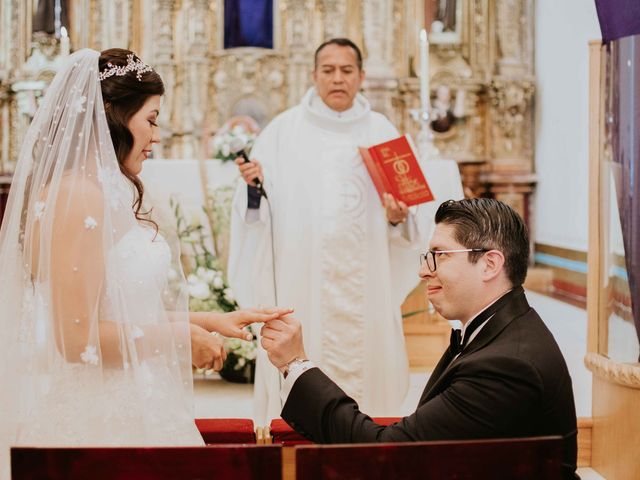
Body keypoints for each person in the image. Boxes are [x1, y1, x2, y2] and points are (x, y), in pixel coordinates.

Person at [0, 48, 288, 478]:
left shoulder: (98, 189)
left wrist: (211, 320)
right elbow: (77, 342)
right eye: (151, 120)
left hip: (135, 400)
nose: (157, 136)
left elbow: (115, 309)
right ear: (112, 117)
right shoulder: (80, 196)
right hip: (101, 418)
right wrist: (180, 338)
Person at [261, 198, 579, 479]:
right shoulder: (501, 329)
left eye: (439, 255)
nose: (424, 272)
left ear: (489, 264)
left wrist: (295, 363)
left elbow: (383, 456)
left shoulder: (506, 365)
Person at [228, 38, 431, 423]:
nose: (338, 79)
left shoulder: (383, 132)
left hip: (366, 286)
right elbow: (253, 213)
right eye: (328, 70)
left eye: (347, 70)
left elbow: (411, 218)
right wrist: (255, 190)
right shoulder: (282, 131)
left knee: (368, 384)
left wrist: (396, 217)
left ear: (361, 76)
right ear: (314, 75)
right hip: (302, 284)